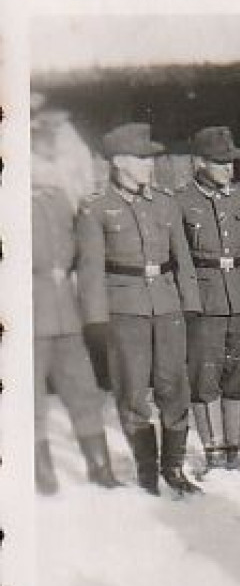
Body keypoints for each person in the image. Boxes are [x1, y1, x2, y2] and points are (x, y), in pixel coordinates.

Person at [76, 122, 203, 497]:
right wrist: (96, 322)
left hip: (167, 306)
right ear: (118, 163)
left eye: (151, 159)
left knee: (174, 388)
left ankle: (173, 469)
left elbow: (184, 260)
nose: (150, 165)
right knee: (132, 393)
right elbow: (90, 272)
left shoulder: (165, 203)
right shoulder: (97, 209)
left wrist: (190, 306)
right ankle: (147, 475)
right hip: (124, 311)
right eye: (141, 159)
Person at [31, 108, 121, 496]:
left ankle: (100, 467)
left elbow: (74, 248)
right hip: (26, 314)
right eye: (39, 156)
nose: (46, 165)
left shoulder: (57, 201)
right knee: (28, 395)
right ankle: (42, 473)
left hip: (65, 314)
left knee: (83, 388)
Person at [176, 126, 240, 473]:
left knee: (239, 374)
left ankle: (236, 450)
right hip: (204, 302)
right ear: (199, 162)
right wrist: (189, 304)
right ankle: (212, 452)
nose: (229, 169)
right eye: (220, 162)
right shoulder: (181, 201)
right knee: (204, 377)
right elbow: (179, 258)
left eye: (232, 162)